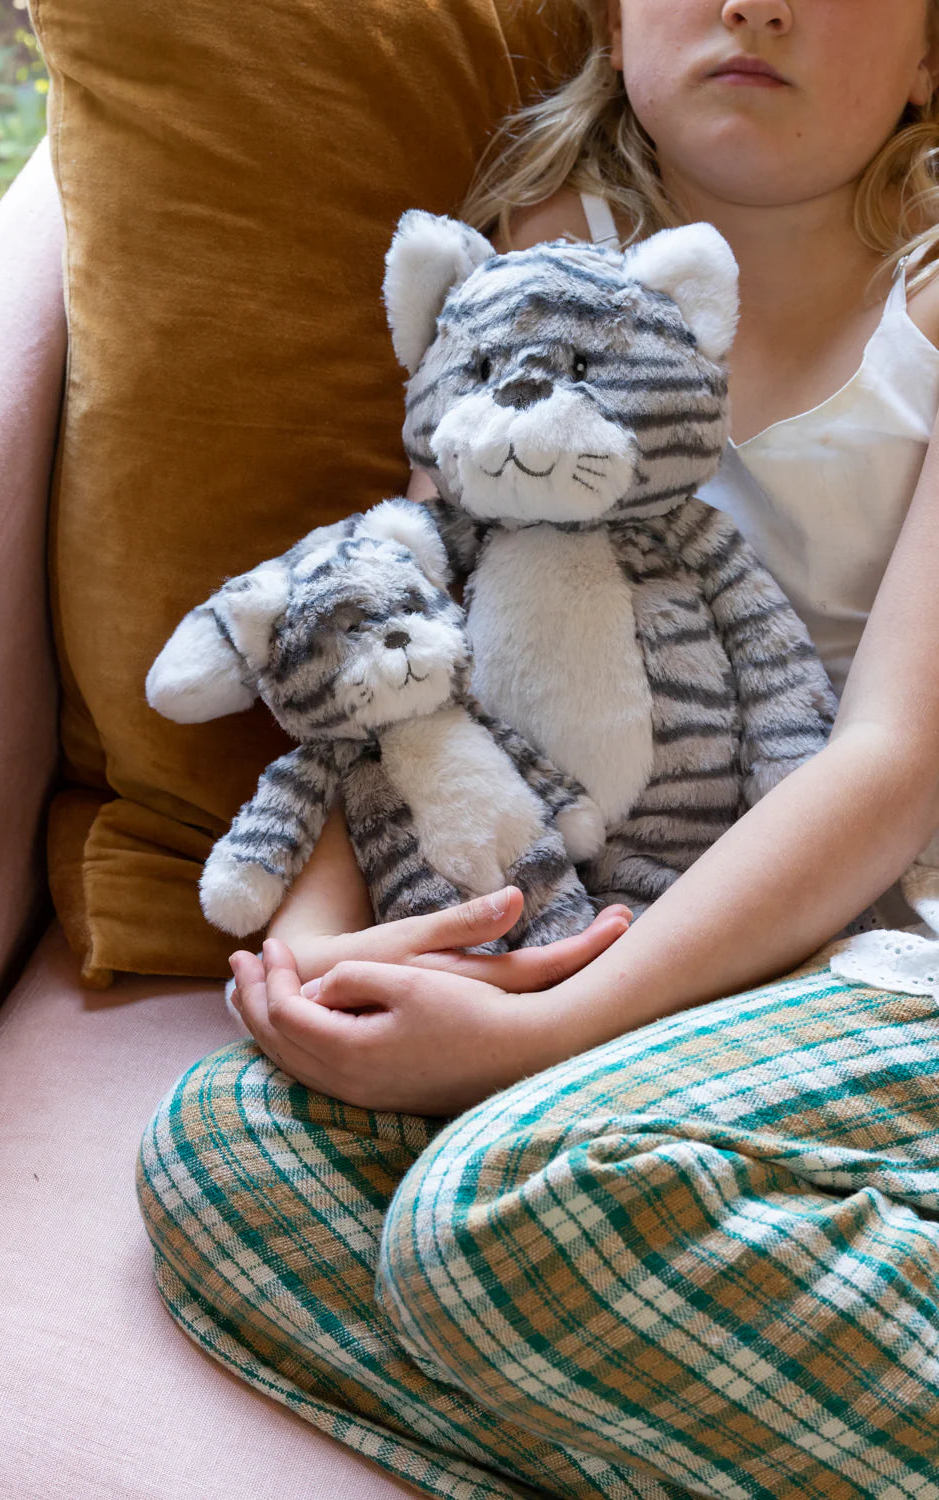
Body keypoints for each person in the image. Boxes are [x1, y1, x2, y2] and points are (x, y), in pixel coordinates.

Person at [137, 3, 939, 1495]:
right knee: (221, 1147)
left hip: (878, 955)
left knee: (495, 1212)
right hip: (581, 911)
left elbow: (892, 763)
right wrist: (315, 954)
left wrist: (550, 1033)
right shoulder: (548, 251)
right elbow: (403, 646)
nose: (755, 2)